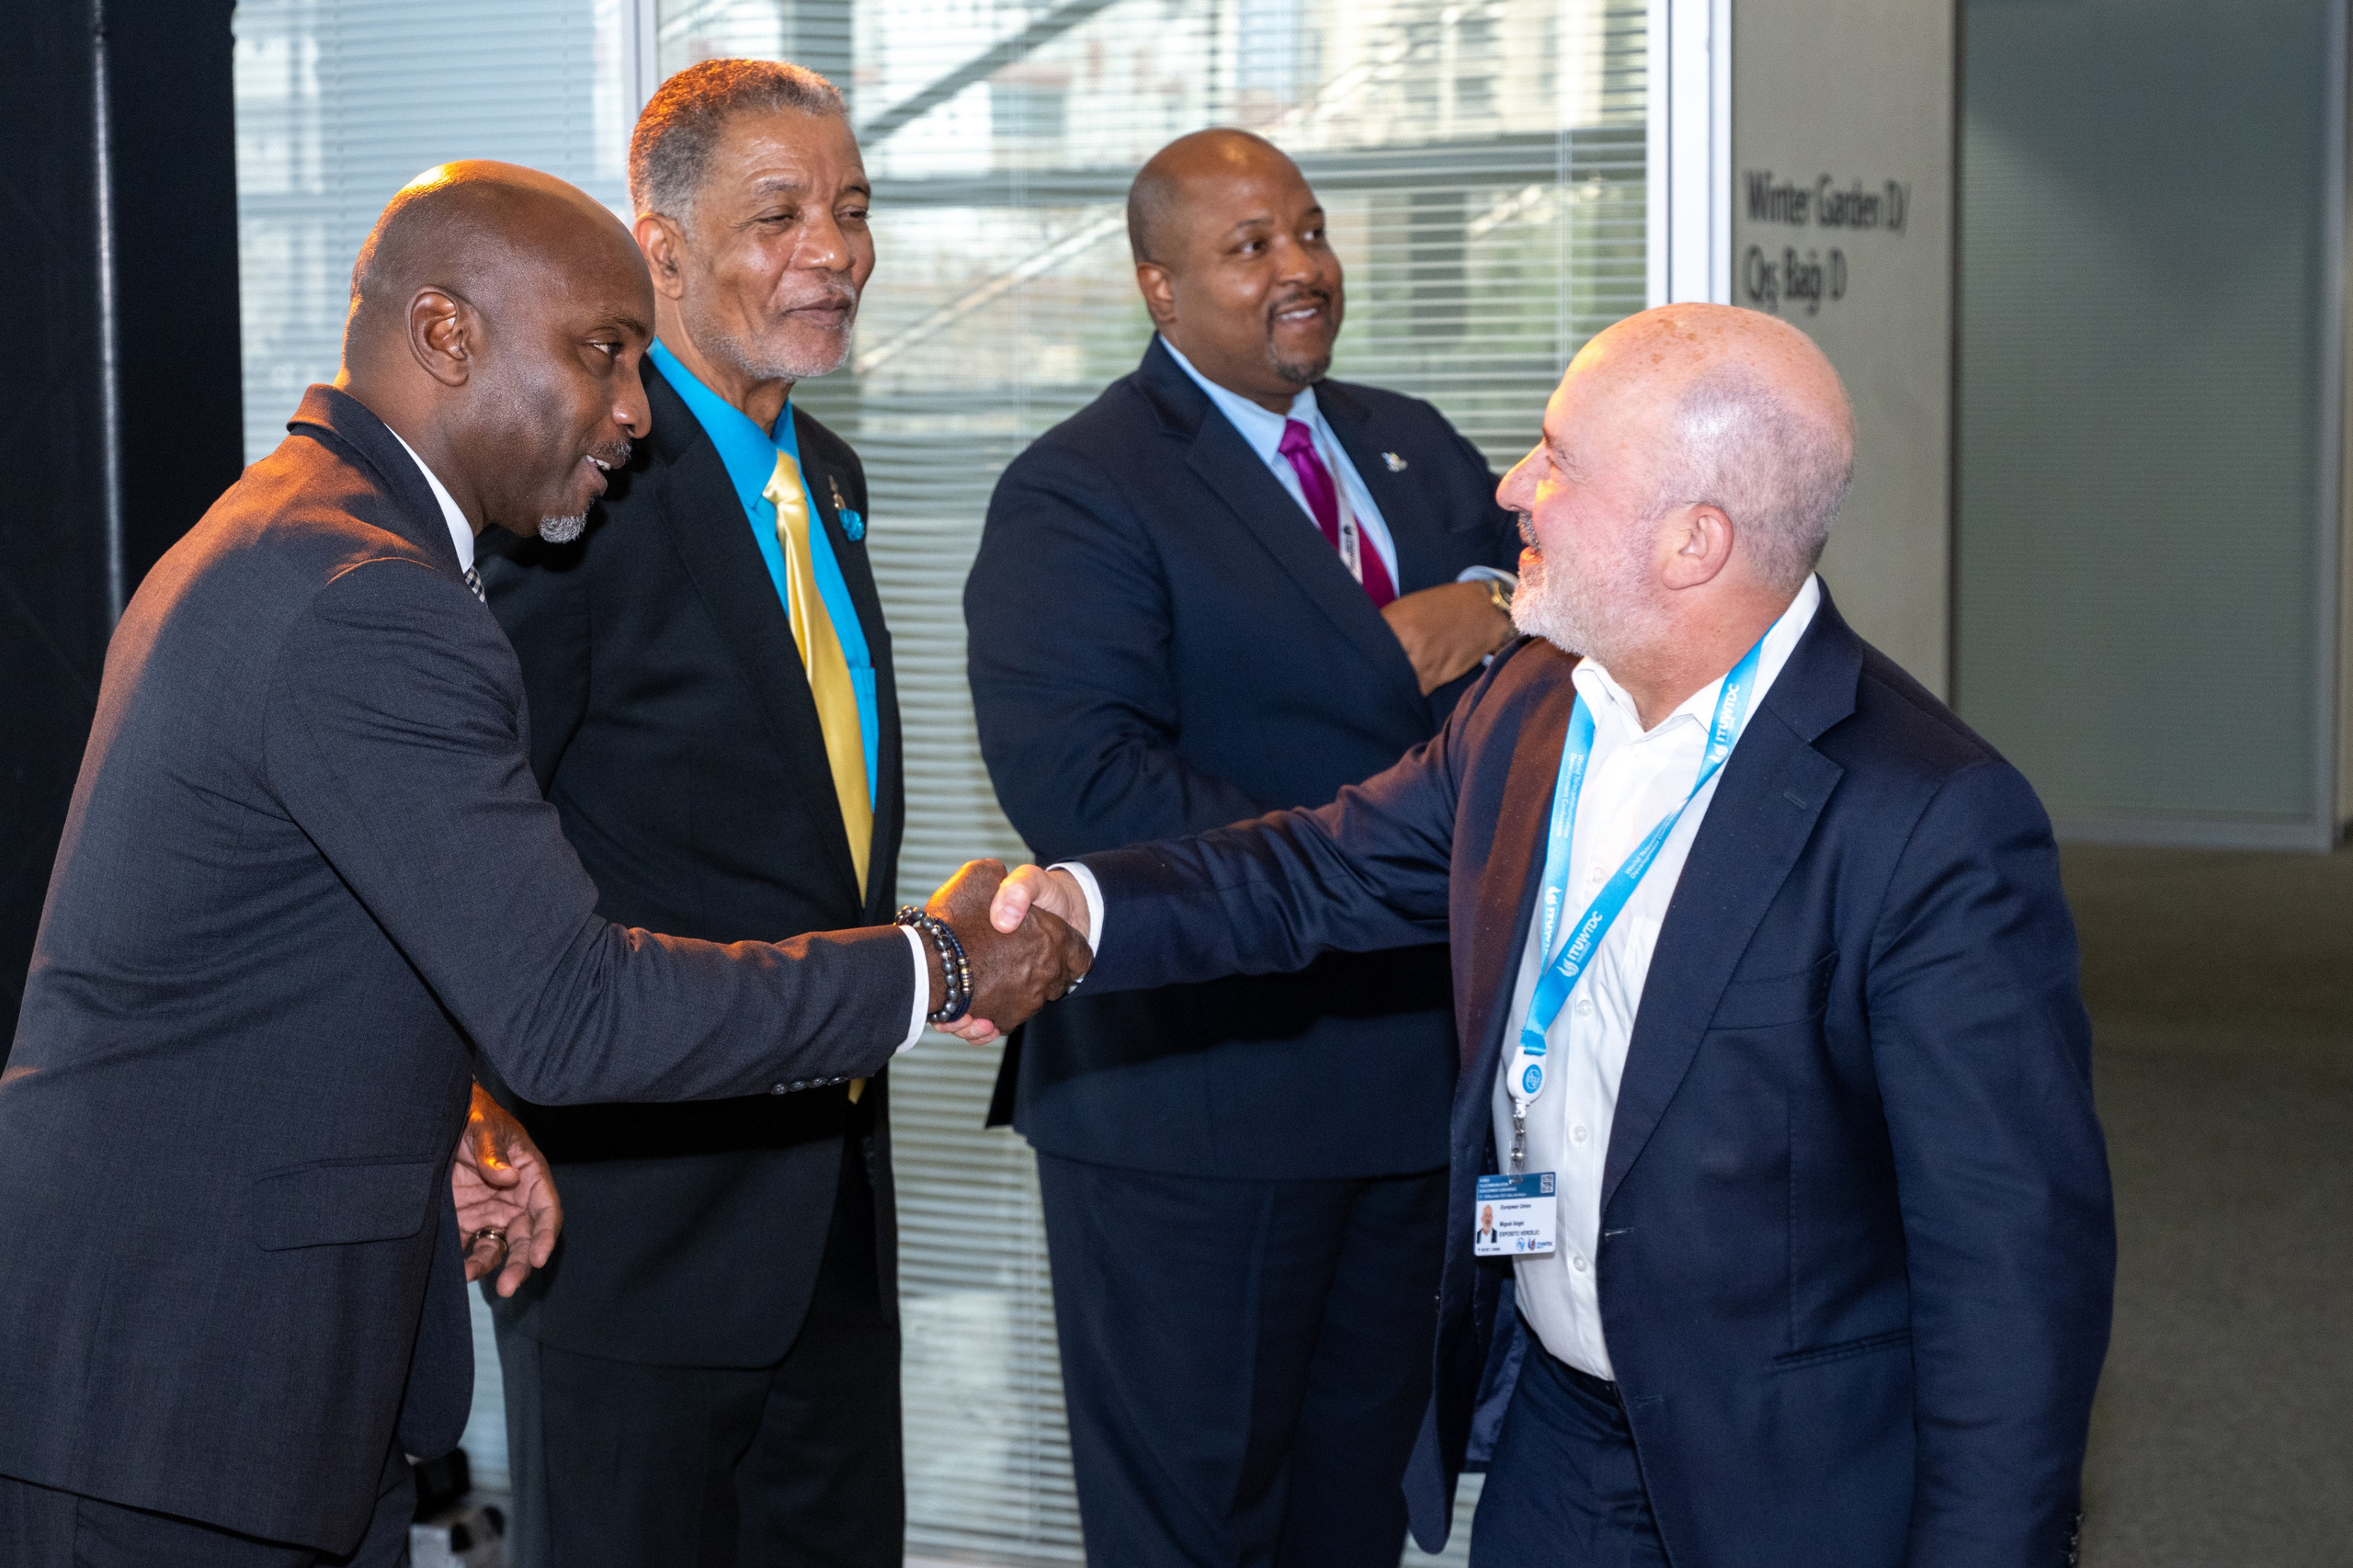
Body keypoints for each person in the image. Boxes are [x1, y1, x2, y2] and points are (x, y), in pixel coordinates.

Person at [0, 161, 1081, 1568]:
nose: (635, 410)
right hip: (183, 1396)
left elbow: (271, 944)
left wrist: (430, 1104)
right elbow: (575, 1009)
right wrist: (934, 965)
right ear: (448, 335)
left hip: (198, 1379)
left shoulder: (306, 535)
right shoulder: (364, 598)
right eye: (602, 353)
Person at [989, 302, 2117, 1567]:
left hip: (1792, 1481)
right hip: (1559, 1443)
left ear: (1695, 541)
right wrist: (1075, 914)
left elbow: (2011, 1269)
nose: (1513, 486)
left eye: (1557, 457)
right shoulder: (1530, 704)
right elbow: (1314, 871)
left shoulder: (1930, 819)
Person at [963, 128, 1521, 1565]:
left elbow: (1545, 648)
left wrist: (1491, 596)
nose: (1302, 269)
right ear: (1160, 287)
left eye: (1311, 231)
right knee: (1196, 1527)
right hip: (1197, 1113)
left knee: (1356, 1512)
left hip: (1409, 1091)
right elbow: (1088, 786)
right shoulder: (1078, 490)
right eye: (1249, 246)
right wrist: (1376, 848)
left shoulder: (1418, 446)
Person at [475, 60, 909, 1568]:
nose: (834, 251)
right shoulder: (579, 487)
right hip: (630, 1236)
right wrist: (466, 1102)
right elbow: (478, 827)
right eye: (779, 214)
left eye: (852, 211)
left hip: (834, 1228)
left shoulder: (832, 477)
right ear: (656, 250)